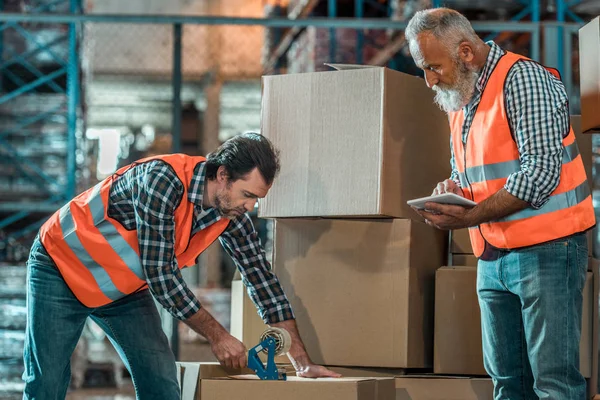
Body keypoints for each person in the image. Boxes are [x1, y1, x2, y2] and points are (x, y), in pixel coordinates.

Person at [23, 132, 340, 399]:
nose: (250, 206)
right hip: (61, 267)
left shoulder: (231, 216)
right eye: (247, 195)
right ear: (222, 176)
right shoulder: (163, 181)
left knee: (160, 380)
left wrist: (301, 361)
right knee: (46, 384)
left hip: (120, 288)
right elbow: (161, 276)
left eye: (256, 199)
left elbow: (262, 283)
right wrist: (218, 336)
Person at [406, 8, 595, 399]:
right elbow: (468, 171)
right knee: (508, 385)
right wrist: (453, 189)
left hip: (547, 250)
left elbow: (540, 174)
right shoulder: (458, 96)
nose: (429, 81)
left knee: (554, 385)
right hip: (492, 255)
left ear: (466, 52)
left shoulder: (523, 80)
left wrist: (470, 216)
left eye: (433, 67)